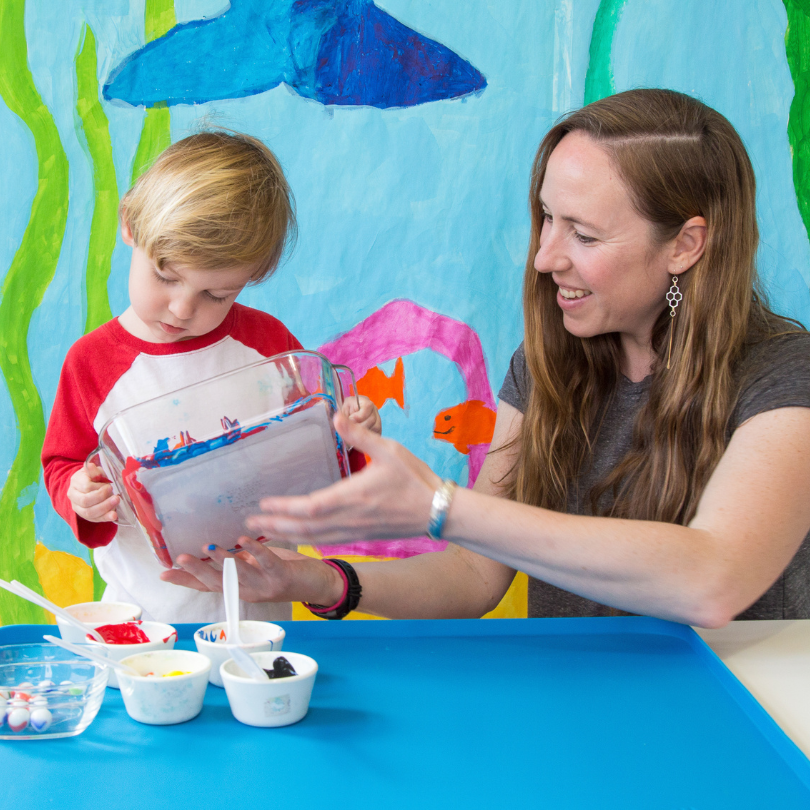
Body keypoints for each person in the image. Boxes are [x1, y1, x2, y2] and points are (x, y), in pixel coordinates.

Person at [162, 90, 810, 628]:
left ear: (685, 245)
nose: (545, 257)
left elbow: (713, 580)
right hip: (579, 715)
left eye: (583, 234)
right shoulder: (548, 365)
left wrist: (440, 505)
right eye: (546, 219)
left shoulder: (785, 374)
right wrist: (312, 579)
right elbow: (474, 575)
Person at [42, 131, 381, 624]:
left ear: (251, 278)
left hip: (263, 622)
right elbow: (63, 463)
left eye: (217, 295)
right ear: (129, 225)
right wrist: (81, 492)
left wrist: (354, 436)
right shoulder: (91, 362)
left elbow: (319, 456)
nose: (182, 309)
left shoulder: (269, 346)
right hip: (146, 621)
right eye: (166, 275)